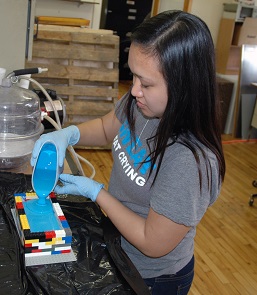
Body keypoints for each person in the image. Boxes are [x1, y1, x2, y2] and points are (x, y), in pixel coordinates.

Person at [31, 10, 226, 295]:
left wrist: (96, 193)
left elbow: (152, 242)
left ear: (185, 84)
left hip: (153, 278)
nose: (134, 90)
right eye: (133, 76)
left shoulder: (189, 161)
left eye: (146, 83)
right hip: (117, 247)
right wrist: (69, 133)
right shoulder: (143, 103)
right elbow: (107, 126)